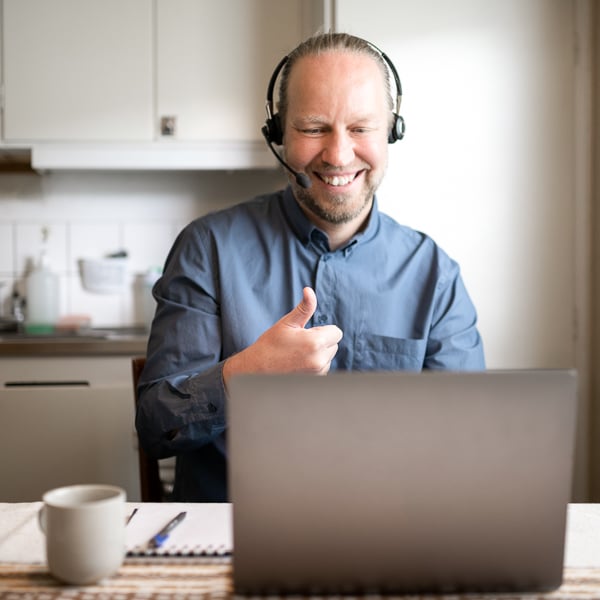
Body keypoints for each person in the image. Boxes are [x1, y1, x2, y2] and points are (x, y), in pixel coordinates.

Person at [136, 32, 485, 502]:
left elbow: (470, 448)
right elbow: (155, 428)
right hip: (230, 540)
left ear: (391, 132)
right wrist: (243, 376)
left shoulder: (434, 275)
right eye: (315, 127)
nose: (339, 155)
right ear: (278, 134)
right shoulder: (207, 248)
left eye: (361, 127)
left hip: (386, 536)